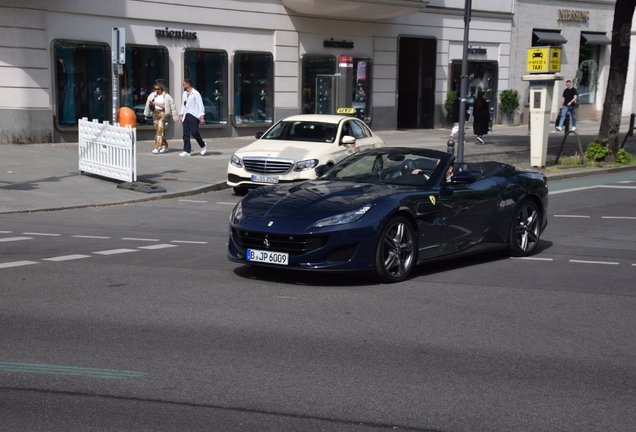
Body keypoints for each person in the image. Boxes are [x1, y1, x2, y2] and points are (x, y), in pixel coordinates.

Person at [144, 82, 178, 154]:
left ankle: (157, 147)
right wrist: (151, 105)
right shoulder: (153, 95)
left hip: (162, 113)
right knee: (159, 131)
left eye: (158, 89)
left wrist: (157, 104)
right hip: (155, 113)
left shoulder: (166, 96)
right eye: (155, 89)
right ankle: (165, 145)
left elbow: (167, 107)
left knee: (159, 131)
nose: (156, 90)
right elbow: (149, 106)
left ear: (161, 88)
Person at [179, 78, 207, 157]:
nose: (183, 85)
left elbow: (200, 105)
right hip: (186, 115)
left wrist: (201, 117)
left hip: (194, 115)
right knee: (186, 134)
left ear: (188, 84)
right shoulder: (184, 93)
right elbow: (183, 105)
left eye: (184, 84)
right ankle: (187, 150)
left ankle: (203, 145)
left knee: (194, 132)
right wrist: (181, 115)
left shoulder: (196, 93)